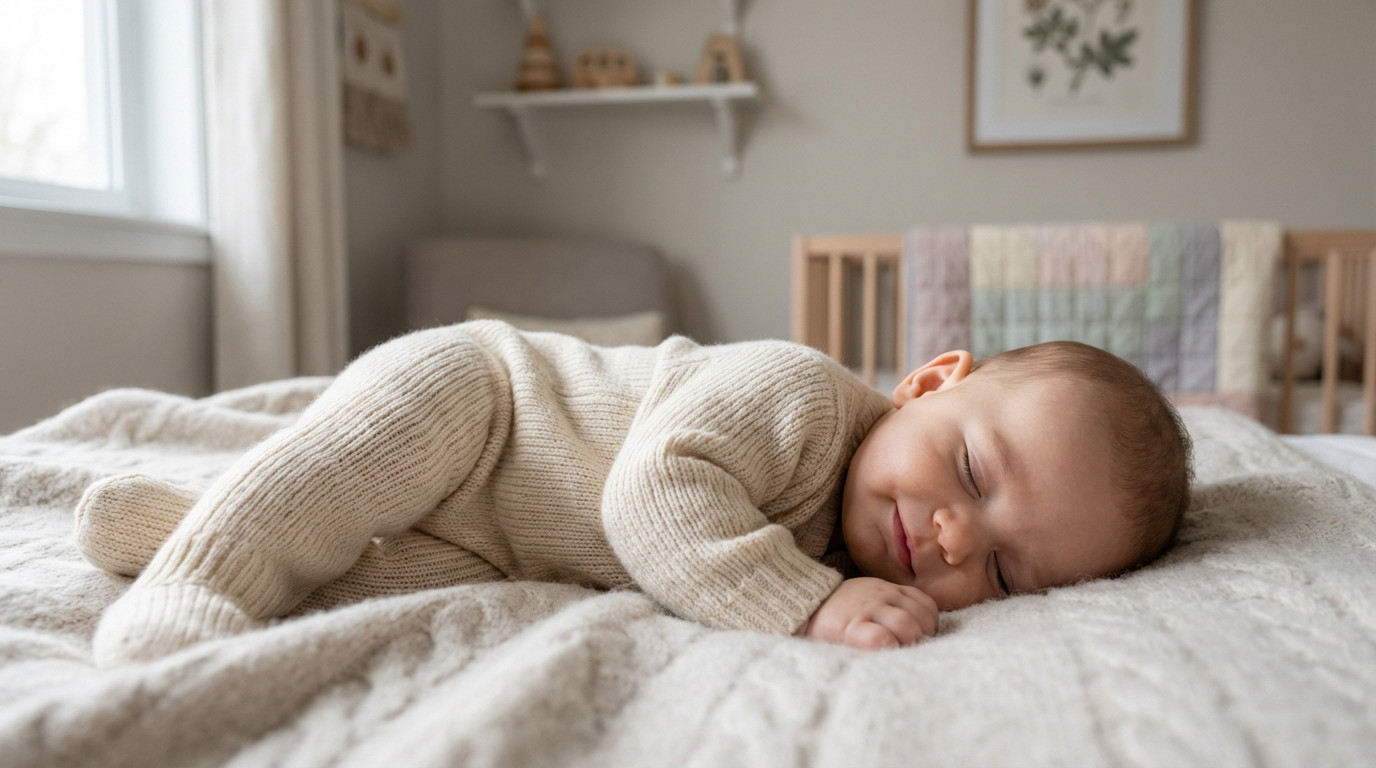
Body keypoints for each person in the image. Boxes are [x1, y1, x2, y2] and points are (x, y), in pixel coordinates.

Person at [75, 321, 1192, 662]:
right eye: (971, 473)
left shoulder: (857, 539)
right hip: (485, 407)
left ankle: (184, 521)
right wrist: (804, 606)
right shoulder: (799, 397)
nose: (952, 539)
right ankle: (198, 576)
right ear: (924, 385)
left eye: (1002, 567)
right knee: (338, 471)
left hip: (511, 542)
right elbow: (651, 503)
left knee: (364, 578)